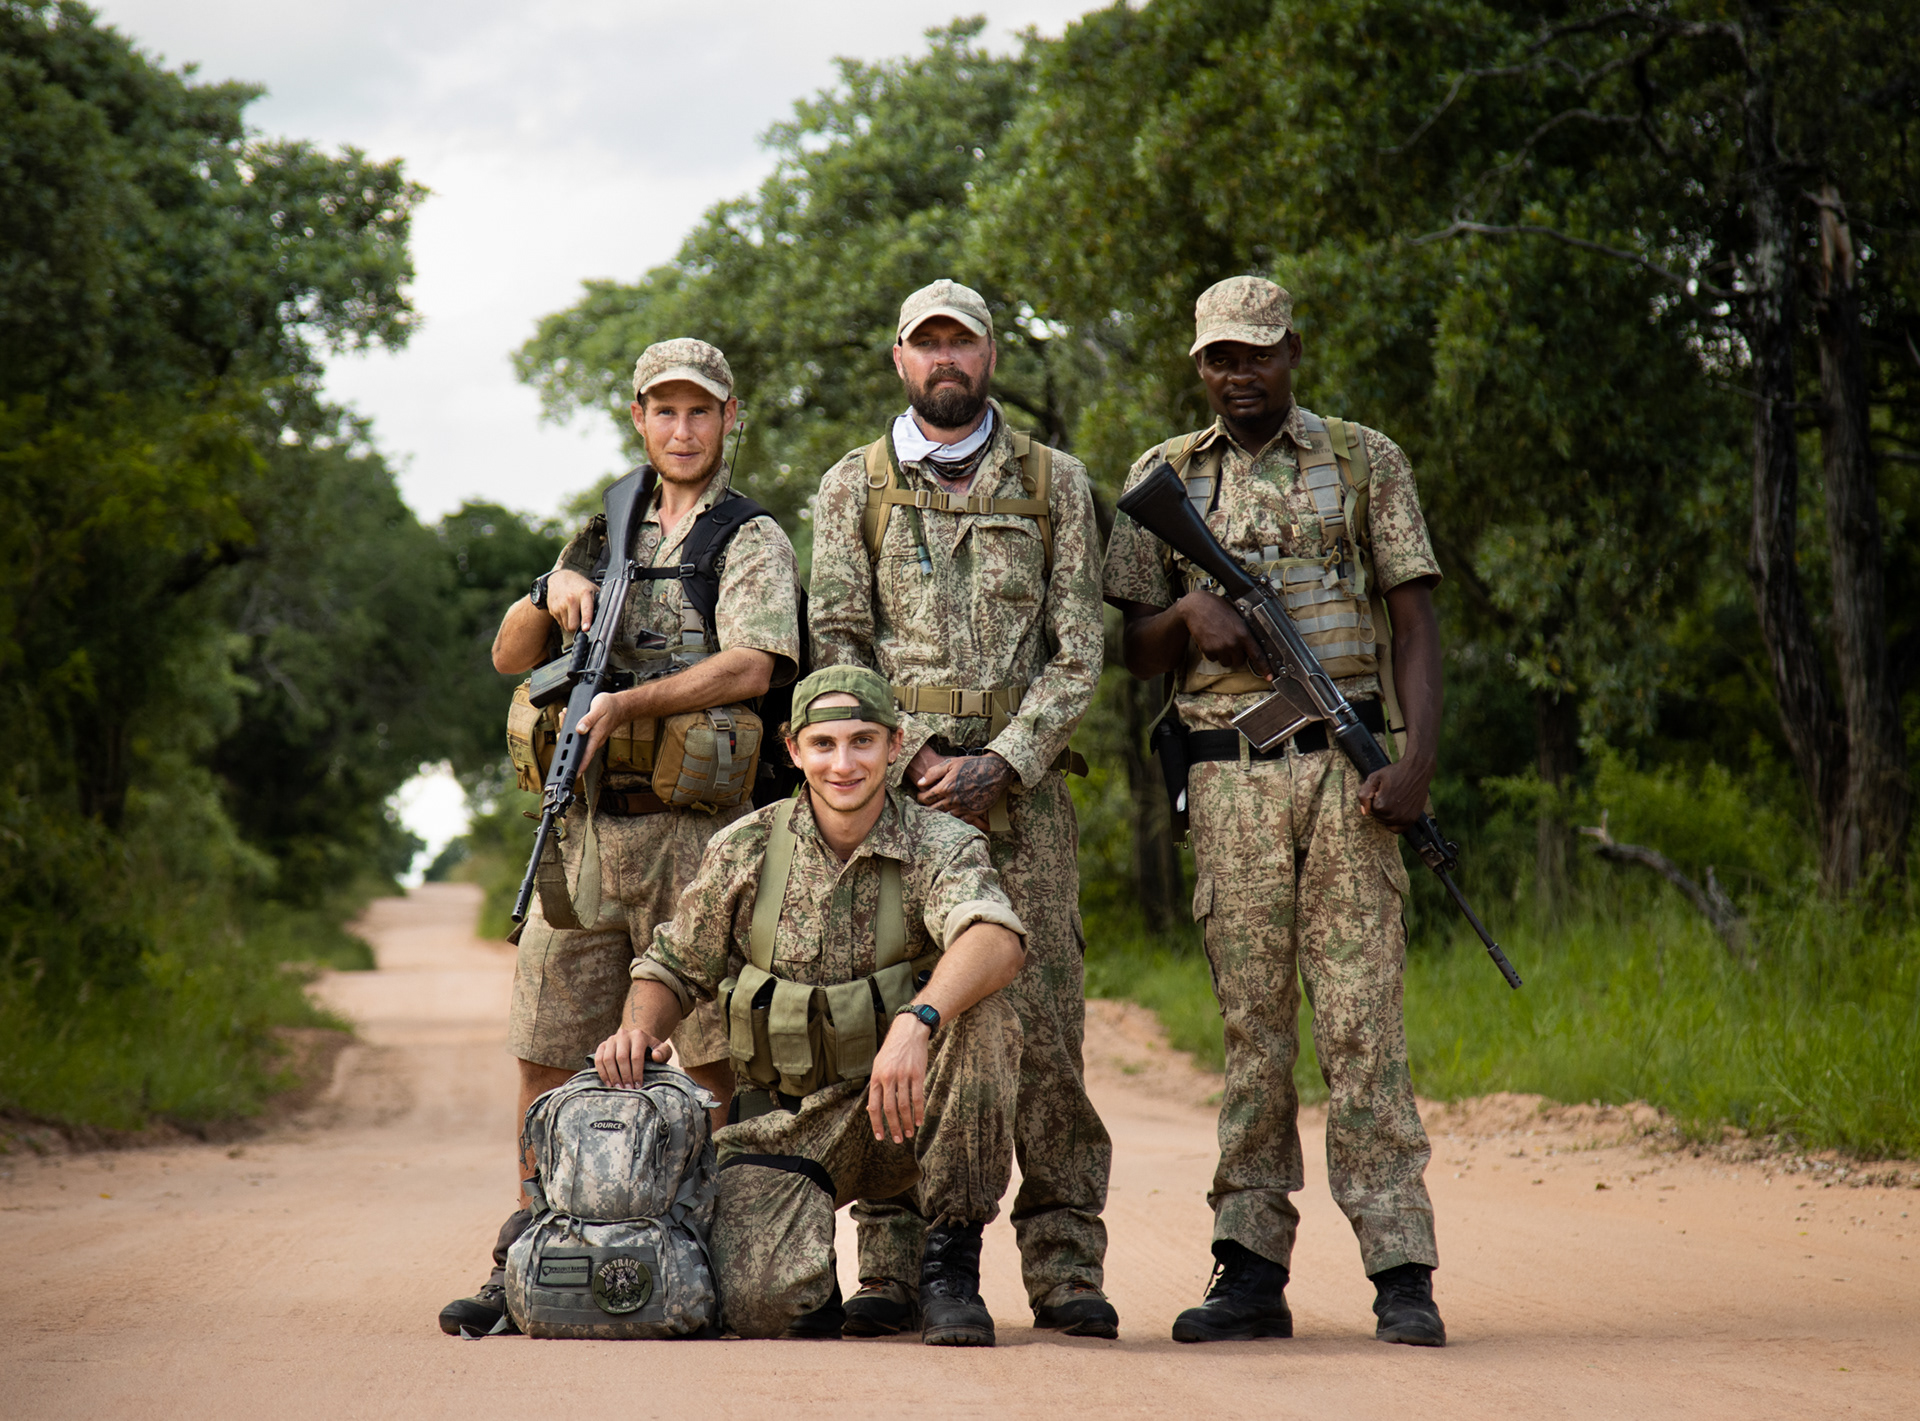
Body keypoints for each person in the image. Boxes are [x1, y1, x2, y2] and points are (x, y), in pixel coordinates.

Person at [1102, 276, 1449, 1347]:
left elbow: (1415, 622)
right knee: (1253, 1031)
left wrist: (1416, 763)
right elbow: (1129, 646)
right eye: (1220, 357)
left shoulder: (1365, 458)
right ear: (1199, 364)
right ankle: (1249, 1267)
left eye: (1256, 353)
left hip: (1351, 778)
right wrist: (1186, 616)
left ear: (1292, 350)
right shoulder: (1164, 474)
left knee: (1363, 1024)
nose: (1238, 373)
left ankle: (1401, 1267)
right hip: (1229, 779)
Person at [438, 338, 802, 1338]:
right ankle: (529, 1247)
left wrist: (632, 700)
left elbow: (757, 664)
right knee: (548, 1043)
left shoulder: (749, 536)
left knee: (712, 1050)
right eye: (664, 411)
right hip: (590, 828)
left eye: (700, 411)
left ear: (729, 418)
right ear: (638, 418)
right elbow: (510, 655)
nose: (682, 430)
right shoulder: (602, 529)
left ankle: (709, 1253)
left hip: (704, 837)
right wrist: (546, 590)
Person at [806, 279, 1116, 1338]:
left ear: (990, 356)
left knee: (1046, 1033)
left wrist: (1006, 762)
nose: (946, 358)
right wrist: (914, 758)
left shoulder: (1055, 482)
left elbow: (1080, 651)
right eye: (927, 343)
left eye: (963, 342)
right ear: (899, 358)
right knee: (900, 1015)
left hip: (1024, 806)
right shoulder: (853, 486)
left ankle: (1066, 1264)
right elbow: (838, 642)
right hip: (896, 803)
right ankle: (896, 1265)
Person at [594, 666, 1026, 1345]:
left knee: (983, 1017)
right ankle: (815, 1278)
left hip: (908, 1109)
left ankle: (950, 1267)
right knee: (759, 1305)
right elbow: (674, 964)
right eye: (824, 744)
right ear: (794, 749)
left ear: (896, 744)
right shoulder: (745, 847)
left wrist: (917, 1021)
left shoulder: (943, 843)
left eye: (862, 741)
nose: (843, 764)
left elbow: (996, 938)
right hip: (791, 1122)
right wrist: (636, 1031)